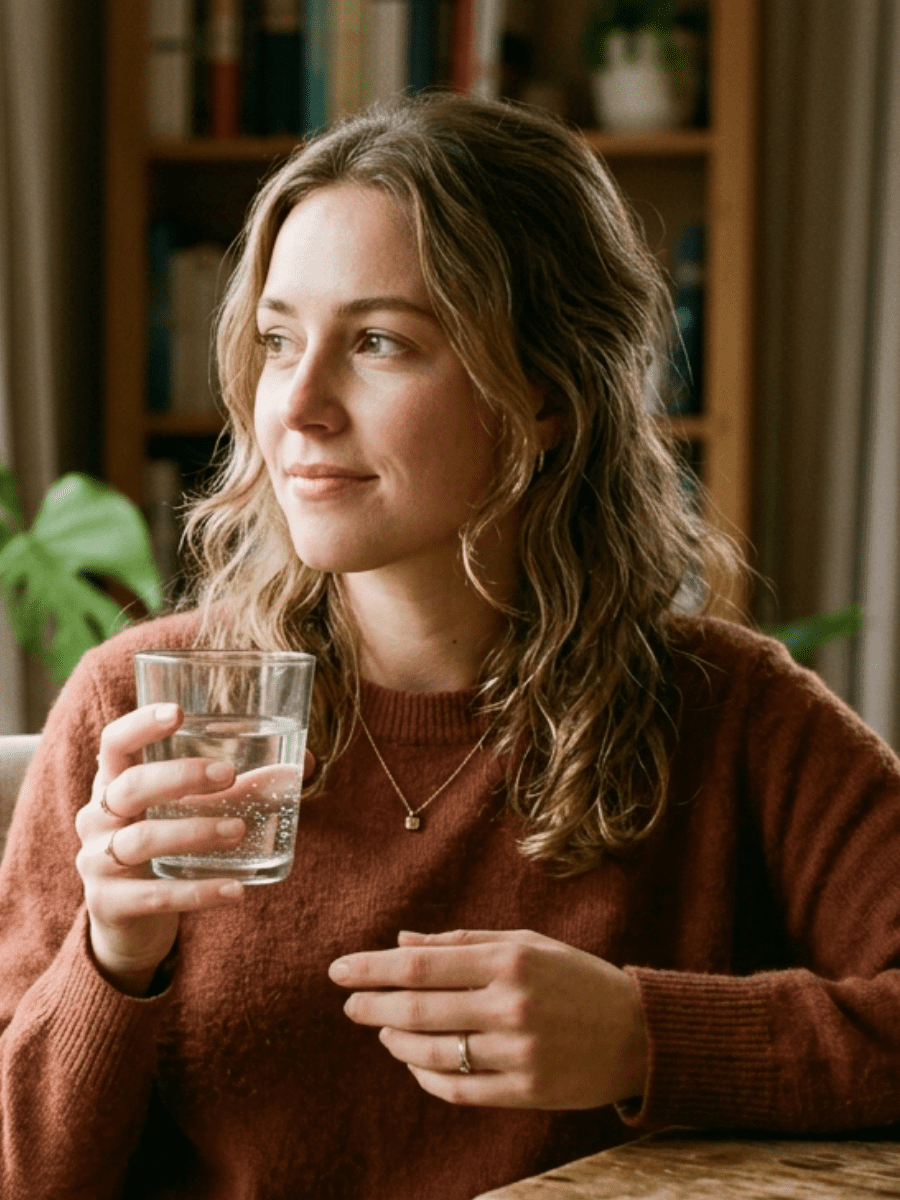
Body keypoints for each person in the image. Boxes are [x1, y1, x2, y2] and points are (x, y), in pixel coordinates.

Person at [2, 92, 900, 1200]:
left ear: (547, 391)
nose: (299, 406)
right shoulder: (133, 707)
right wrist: (111, 961)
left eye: (379, 341)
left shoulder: (732, 716)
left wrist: (643, 1034)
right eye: (280, 340)